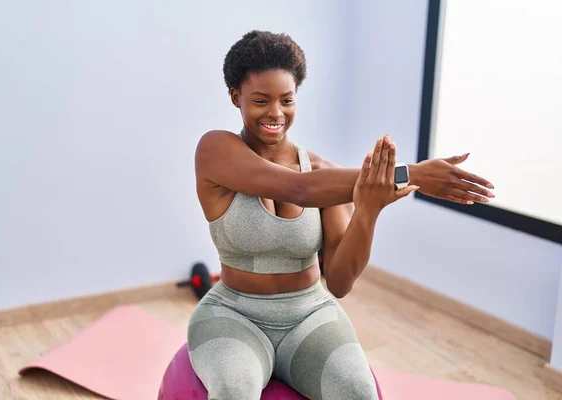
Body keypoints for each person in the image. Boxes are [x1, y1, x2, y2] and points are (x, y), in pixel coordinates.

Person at [189, 30, 495, 400]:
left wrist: (368, 209)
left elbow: (339, 283)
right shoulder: (216, 150)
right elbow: (298, 188)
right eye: (260, 100)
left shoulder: (325, 174)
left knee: (358, 392)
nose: (275, 113)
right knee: (232, 390)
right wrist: (412, 174)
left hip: (309, 315)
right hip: (232, 315)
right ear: (236, 97)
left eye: (287, 100)